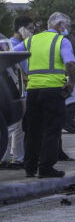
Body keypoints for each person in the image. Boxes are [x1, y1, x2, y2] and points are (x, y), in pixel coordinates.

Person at [22, 12, 75, 179]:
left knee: (33, 130)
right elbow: (69, 63)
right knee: (52, 130)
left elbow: (9, 52)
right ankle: (46, 168)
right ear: (59, 25)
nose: (68, 29)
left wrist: (23, 75)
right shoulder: (62, 41)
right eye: (67, 26)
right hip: (53, 91)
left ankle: (30, 168)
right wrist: (72, 82)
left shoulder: (31, 40)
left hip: (32, 91)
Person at [2, 15, 32, 168]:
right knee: (14, 128)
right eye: (30, 28)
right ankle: (9, 158)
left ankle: (15, 158)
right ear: (22, 29)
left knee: (17, 129)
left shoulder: (16, 44)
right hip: (17, 91)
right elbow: (18, 73)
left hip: (18, 92)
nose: (32, 32)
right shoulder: (13, 46)